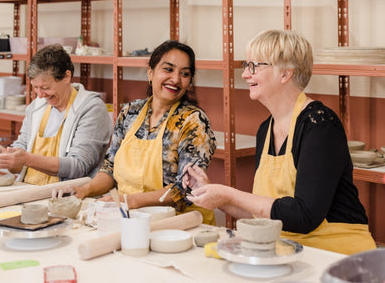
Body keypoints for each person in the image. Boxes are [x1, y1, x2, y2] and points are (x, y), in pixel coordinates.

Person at [182, 29, 376, 254]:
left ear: (285, 74)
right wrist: (213, 196)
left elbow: (304, 217)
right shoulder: (266, 129)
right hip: (289, 251)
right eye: (246, 65)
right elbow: (265, 215)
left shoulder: (319, 124)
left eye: (254, 66)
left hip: (335, 255)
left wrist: (228, 193)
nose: (245, 74)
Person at [54, 40, 217, 224]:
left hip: (179, 225)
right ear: (150, 72)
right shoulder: (130, 112)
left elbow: (186, 189)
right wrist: (85, 190)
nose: (176, 79)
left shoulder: (193, 121)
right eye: (168, 69)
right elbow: (110, 169)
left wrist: (130, 201)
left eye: (185, 74)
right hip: (130, 217)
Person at [0, 44, 113, 185]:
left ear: (66, 77)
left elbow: (79, 166)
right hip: (28, 190)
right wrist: (7, 157)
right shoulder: (36, 107)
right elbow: (21, 153)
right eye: (35, 88)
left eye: (45, 88)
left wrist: (27, 159)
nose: (40, 95)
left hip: (69, 196)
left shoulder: (91, 108)